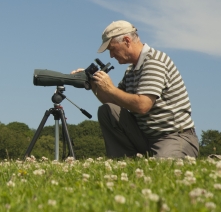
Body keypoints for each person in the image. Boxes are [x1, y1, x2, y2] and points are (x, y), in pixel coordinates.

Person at [73, 20, 199, 158]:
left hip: (174, 136)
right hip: (144, 137)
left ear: (127, 40)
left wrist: (110, 88)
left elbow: (143, 105)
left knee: (161, 170)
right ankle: (121, 161)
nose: (111, 55)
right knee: (107, 110)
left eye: (112, 49)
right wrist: (93, 85)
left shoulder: (154, 61)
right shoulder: (131, 70)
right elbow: (114, 102)